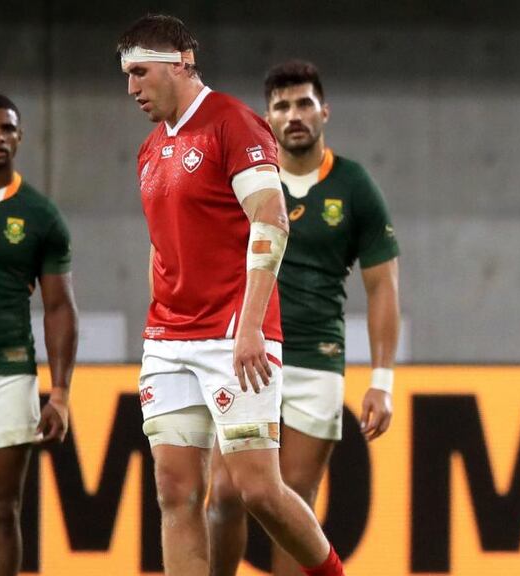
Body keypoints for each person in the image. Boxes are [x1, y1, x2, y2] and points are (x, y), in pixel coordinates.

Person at [118, 15, 342, 576]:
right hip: (168, 340)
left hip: (233, 335)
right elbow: (161, 248)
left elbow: (272, 221)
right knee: (175, 493)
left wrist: (248, 328)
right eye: (127, 75)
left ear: (180, 64)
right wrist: (159, 327)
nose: (131, 89)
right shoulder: (149, 149)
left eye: (140, 72)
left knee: (258, 491)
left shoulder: (233, 124)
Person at [208, 60, 400, 575]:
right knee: (225, 494)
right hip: (248, 354)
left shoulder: (354, 185)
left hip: (317, 355)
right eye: (282, 106)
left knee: (288, 502)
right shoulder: (244, 181)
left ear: (324, 112)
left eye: (303, 104)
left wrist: (382, 379)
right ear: (266, 118)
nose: (293, 115)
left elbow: (382, 286)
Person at [0, 93, 77, 575]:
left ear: (20, 138)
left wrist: (62, 393)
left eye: (7, 129)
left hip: (7, 374)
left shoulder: (40, 214)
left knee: (3, 510)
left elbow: (58, 308)